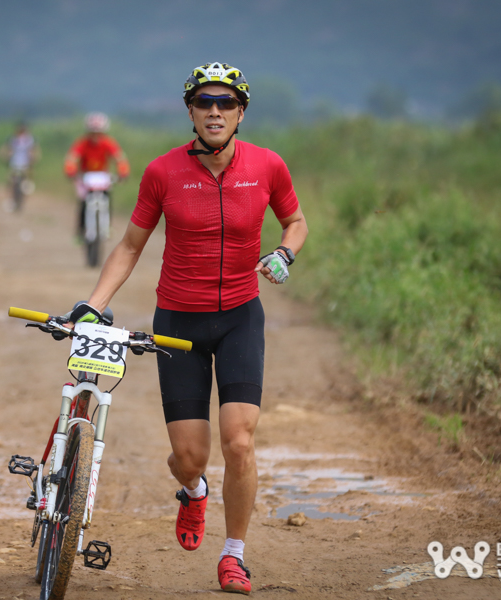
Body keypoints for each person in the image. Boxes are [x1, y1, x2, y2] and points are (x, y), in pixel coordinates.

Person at [66, 62, 308, 595]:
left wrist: (286, 252)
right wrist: (94, 304)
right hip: (177, 323)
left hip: (240, 317)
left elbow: (296, 219)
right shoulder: (163, 173)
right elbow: (130, 246)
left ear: (241, 112)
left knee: (239, 442)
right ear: (191, 113)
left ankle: (234, 555)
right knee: (190, 456)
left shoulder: (267, 166)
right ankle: (194, 490)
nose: (215, 111)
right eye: (205, 103)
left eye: (226, 103)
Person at [64, 112, 130, 238]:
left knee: (107, 199)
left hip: (103, 177)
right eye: (93, 133)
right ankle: (80, 229)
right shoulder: (82, 143)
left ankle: (108, 225)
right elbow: (72, 158)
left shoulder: (108, 143)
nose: (95, 136)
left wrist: (123, 172)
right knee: (83, 202)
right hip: (86, 177)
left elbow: (120, 158)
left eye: (98, 133)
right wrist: (71, 171)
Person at [0, 121, 40, 210]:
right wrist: (6, 156)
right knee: (11, 181)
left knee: (26, 183)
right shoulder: (13, 139)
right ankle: (11, 198)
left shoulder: (29, 140)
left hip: (25, 164)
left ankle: (22, 201)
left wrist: (33, 158)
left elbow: (34, 151)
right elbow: (6, 149)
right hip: (14, 163)